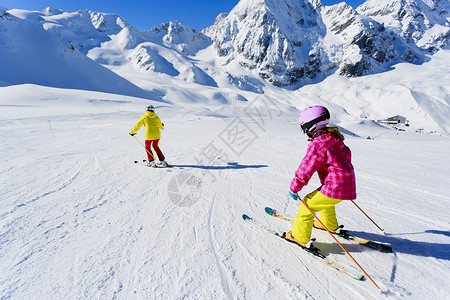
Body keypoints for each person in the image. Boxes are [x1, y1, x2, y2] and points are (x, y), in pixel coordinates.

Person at [284, 105, 356, 249]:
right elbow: (346, 156)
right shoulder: (334, 139)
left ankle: (299, 236)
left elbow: (306, 168)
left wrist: (294, 187)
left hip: (335, 187)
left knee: (307, 205)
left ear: (309, 126)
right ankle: (328, 224)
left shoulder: (318, 144)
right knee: (324, 200)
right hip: (347, 185)